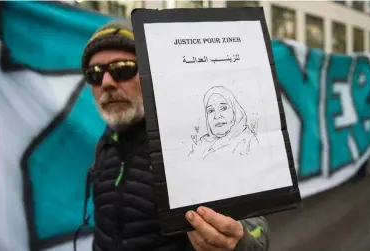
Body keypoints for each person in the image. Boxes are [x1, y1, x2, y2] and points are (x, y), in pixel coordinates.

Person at [76, 19, 270, 251]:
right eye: (95, 73)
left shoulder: (191, 143)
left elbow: (256, 227)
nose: (107, 83)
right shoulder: (106, 144)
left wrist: (238, 241)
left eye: (122, 68)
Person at [189, 86, 259, 160]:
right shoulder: (201, 144)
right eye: (211, 111)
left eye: (223, 108)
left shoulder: (248, 142)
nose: (217, 116)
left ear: (234, 111)